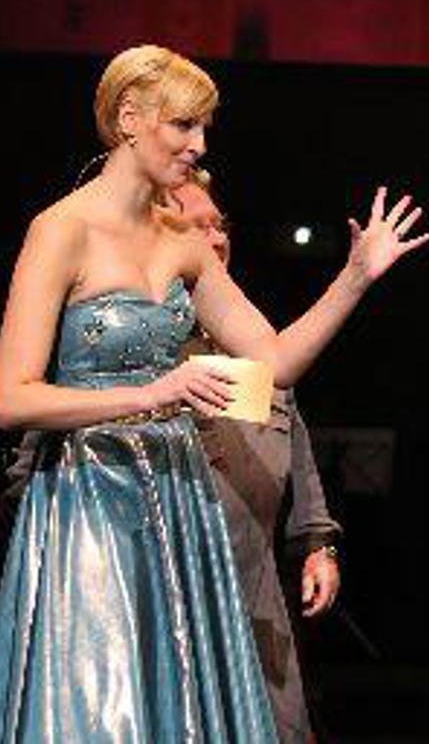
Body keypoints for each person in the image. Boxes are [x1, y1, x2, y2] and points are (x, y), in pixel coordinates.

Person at [0, 44, 429, 744]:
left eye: (204, 127)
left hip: (179, 500)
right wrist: (152, 394)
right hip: (92, 499)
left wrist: (354, 277)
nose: (199, 144)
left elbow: (275, 364)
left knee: (180, 705)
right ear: (129, 119)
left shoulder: (183, 239)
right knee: (101, 704)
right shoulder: (61, 230)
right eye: (184, 125)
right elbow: (14, 399)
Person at [166, 174, 342, 744]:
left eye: (221, 226)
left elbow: (291, 439)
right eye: (198, 227)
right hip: (169, 587)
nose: (217, 239)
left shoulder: (247, 340)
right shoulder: (135, 340)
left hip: (254, 585)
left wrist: (316, 541)